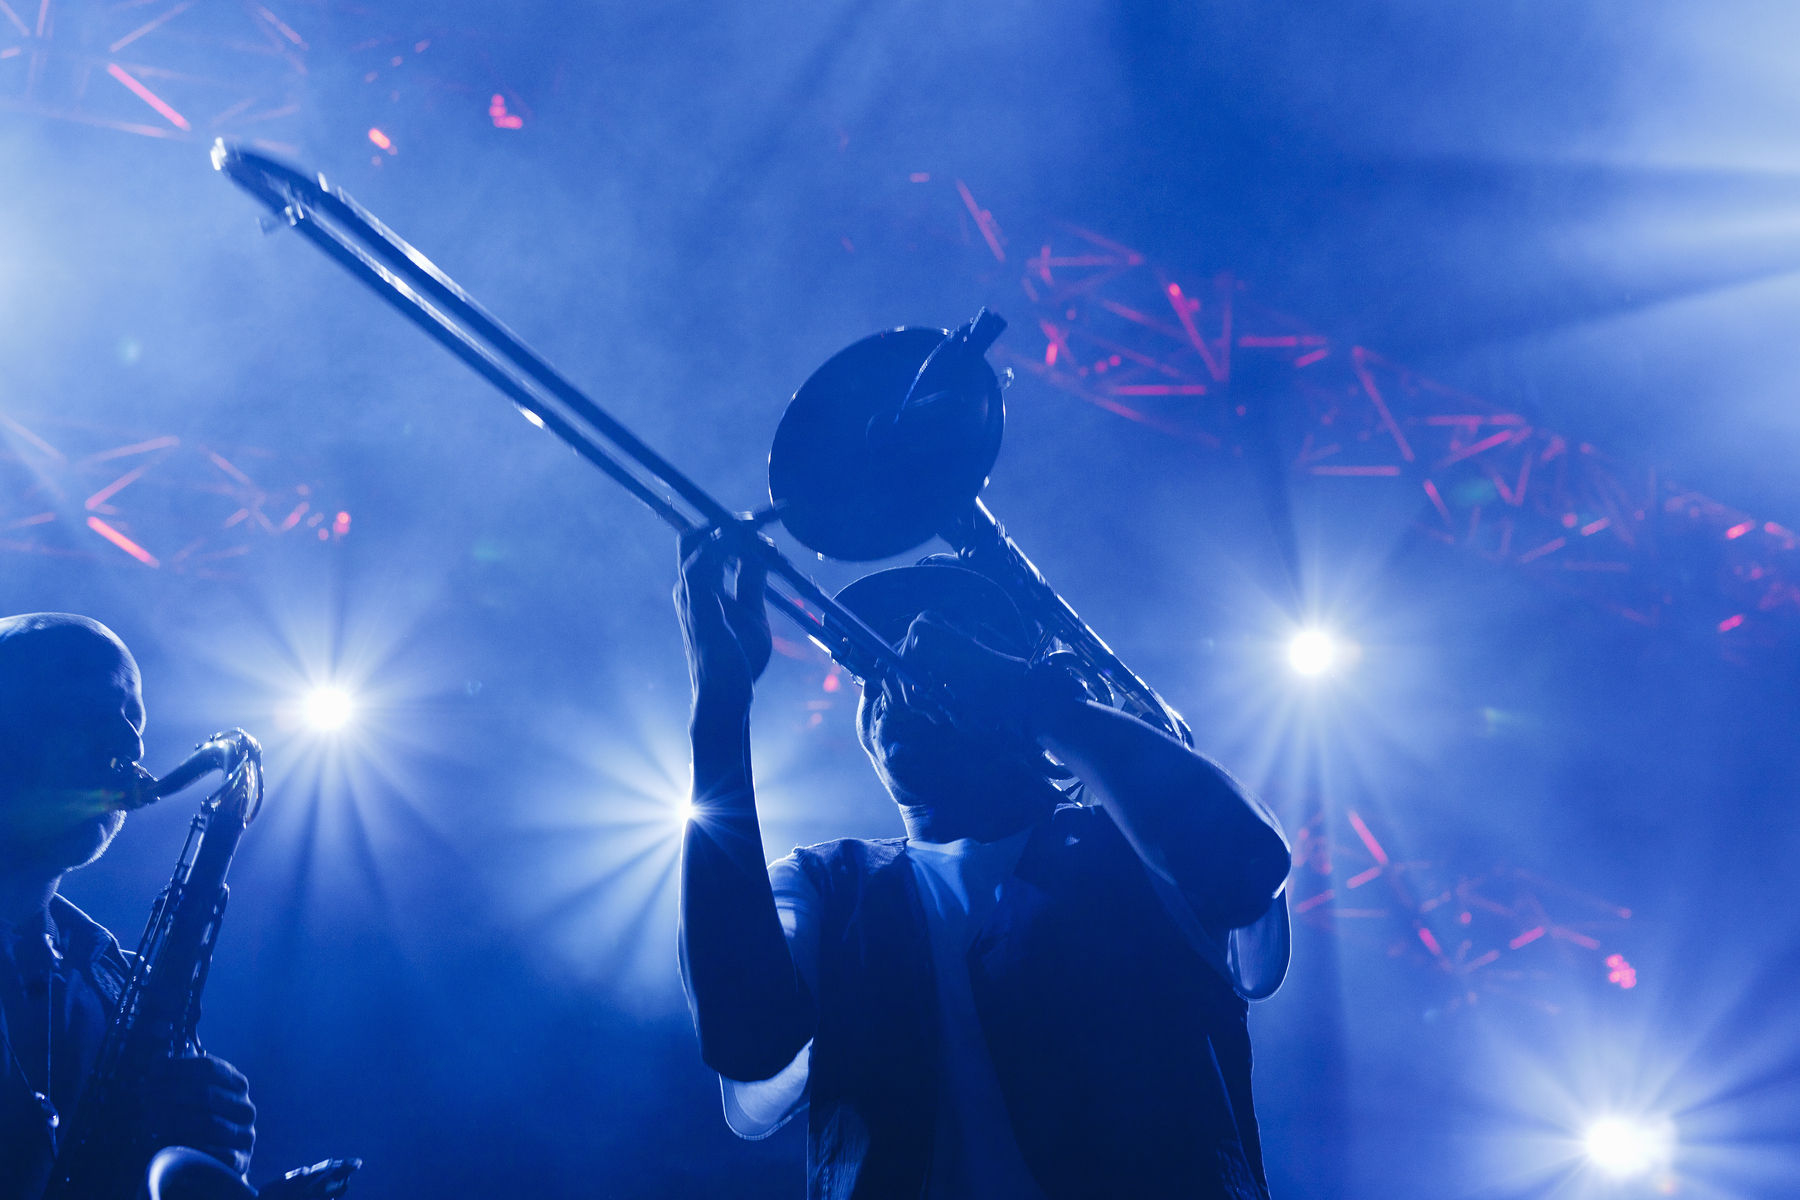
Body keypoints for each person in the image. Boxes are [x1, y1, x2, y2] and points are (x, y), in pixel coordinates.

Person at [675, 535, 1293, 1199]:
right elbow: (748, 1047)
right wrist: (720, 705)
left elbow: (1246, 869)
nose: (895, 673)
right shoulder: (824, 884)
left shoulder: (1132, 843)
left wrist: (1039, 702)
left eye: (945, 643)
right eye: (873, 668)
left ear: (1003, 669)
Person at [0, 613, 256, 1200]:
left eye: (133, 720)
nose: (131, 745)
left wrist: (205, 1151)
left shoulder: (121, 985)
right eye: (86, 707)